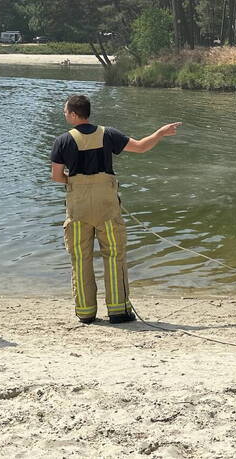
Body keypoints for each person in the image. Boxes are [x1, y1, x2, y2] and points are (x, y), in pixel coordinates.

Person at [50, 94, 181, 324]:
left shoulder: (62, 141)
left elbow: (57, 176)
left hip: (78, 208)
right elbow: (140, 147)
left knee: (80, 259)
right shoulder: (108, 134)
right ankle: (119, 311)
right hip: (107, 206)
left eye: (65, 111)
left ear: (73, 114)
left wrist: (76, 181)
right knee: (114, 256)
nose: (64, 114)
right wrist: (159, 133)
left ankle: (86, 313)